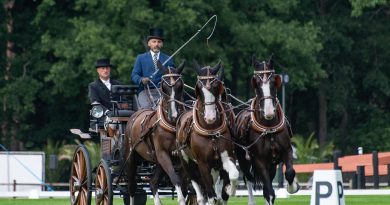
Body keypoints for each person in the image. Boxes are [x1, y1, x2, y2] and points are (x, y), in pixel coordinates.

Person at [131, 28, 174, 109]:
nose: (156, 44)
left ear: (162, 44)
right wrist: (141, 80)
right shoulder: (141, 58)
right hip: (145, 92)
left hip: (163, 92)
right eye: (154, 41)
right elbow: (134, 75)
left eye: (159, 42)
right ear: (149, 43)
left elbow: (173, 77)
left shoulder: (168, 59)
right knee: (147, 109)